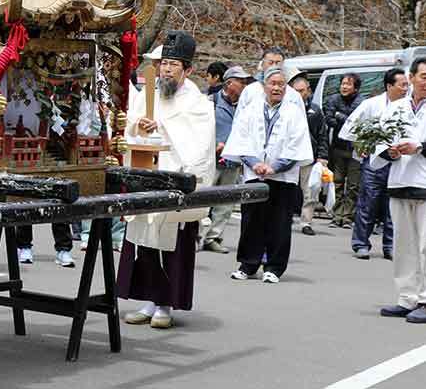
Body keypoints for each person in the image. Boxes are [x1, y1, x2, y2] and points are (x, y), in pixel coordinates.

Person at [119, 30, 216, 329]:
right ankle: (148, 300)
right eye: (164, 64)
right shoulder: (150, 94)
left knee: (171, 245)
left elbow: (198, 143)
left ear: (188, 70)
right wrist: (140, 124)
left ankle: (166, 304)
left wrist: (161, 126)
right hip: (148, 175)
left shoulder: (198, 103)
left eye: (174, 64)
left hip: (174, 180)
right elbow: (130, 126)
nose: (167, 69)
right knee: (143, 243)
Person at [223, 67, 314, 284]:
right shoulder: (251, 109)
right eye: (272, 83)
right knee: (251, 219)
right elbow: (240, 139)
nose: (276, 88)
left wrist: (275, 167)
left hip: (282, 177)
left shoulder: (294, 111)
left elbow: (297, 144)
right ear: (264, 86)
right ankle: (248, 264)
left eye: (281, 84)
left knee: (280, 222)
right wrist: (255, 164)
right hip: (254, 174)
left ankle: (274, 266)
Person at [373, 57, 426, 323]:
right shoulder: (395, 107)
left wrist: (420, 148)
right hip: (400, 180)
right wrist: (389, 152)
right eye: (424, 76)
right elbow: (379, 143)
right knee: (404, 246)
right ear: (412, 77)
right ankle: (407, 297)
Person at [340, 68, 408, 259]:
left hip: (400, 162)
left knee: (393, 206)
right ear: (389, 86)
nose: (405, 89)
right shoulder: (371, 104)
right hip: (374, 161)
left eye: (407, 85)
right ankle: (361, 243)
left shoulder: (409, 106)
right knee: (368, 202)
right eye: (402, 85)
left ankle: (390, 245)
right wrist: (360, 144)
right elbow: (349, 128)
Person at [199, 65, 254, 253]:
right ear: (229, 83)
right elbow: (199, 128)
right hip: (211, 160)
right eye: (242, 82)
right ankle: (197, 237)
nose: (246, 85)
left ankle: (214, 237)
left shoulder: (247, 105)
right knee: (203, 199)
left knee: (226, 202)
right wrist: (213, 144)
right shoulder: (210, 101)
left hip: (234, 161)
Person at [289, 73, 329, 236]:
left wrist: (322, 156)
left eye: (302, 91)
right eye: (296, 91)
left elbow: (322, 134)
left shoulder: (315, 110)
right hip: (289, 156)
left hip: (309, 157)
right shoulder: (287, 108)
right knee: (287, 189)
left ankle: (306, 221)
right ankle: (286, 216)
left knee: (310, 190)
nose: (299, 94)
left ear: (308, 91)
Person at [325, 73, 365, 228]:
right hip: (338, 147)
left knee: (354, 185)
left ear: (355, 88)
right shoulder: (333, 99)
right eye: (343, 83)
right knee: (337, 182)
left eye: (348, 84)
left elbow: (357, 123)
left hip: (355, 148)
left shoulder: (362, 102)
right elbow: (329, 120)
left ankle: (348, 217)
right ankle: (336, 215)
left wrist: (340, 116)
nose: (344, 87)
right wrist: (345, 119)